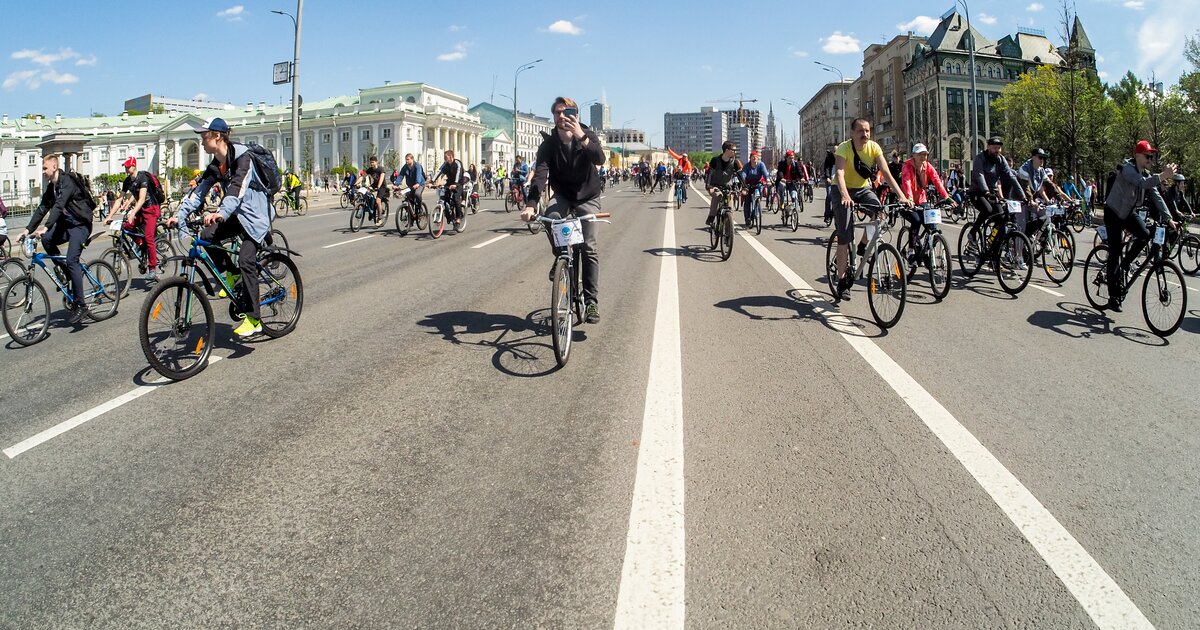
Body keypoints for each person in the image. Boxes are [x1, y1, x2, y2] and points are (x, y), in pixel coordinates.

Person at [167, 117, 273, 337]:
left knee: (246, 258)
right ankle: (231, 273)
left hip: (256, 218)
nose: (202, 142)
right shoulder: (216, 165)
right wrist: (180, 215)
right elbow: (198, 194)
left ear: (217, 136)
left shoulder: (243, 159)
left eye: (204, 137)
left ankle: (254, 319)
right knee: (206, 236)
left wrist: (220, 212)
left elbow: (237, 189)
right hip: (237, 216)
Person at [520, 96, 605, 323]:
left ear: (575, 114)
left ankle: (591, 301)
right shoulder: (549, 144)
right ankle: (561, 255)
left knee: (589, 246)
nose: (561, 116)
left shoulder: (586, 134)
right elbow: (540, 175)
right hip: (563, 196)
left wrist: (581, 136)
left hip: (588, 195)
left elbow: (599, 158)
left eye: (566, 111)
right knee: (550, 217)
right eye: (557, 112)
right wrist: (530, 204)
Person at [830, 118, 912, 302]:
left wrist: (901, 195)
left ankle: (862, 245)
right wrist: (845, 195)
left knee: (879, 212)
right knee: (844, 234)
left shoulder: (874, 147)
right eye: (860, 131)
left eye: (867, 131)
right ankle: (842, 281)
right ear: (852, 133)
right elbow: (840, 174)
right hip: (841, 189)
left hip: (862, 188)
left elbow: (887, 173)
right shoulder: (844, 148)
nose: (865, 134)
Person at [14, 155, 95, 323]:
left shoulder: (67, 182)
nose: (43, 171)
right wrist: (27, 230)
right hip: (66, 226)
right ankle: (68, 273)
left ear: (54, 167)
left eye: (45, 168)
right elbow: (42, 208)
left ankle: (81, 305)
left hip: (80, 225)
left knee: (72, 260)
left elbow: (59, 205)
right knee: (47, 240)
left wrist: (47, 227)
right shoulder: (52, 187)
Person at [1101, 140, 1177, 312]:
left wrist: (1169, 218)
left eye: (1152, 156)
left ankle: (1126, 264)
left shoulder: (1146, 173)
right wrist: (1163, 175)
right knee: (1115, 250)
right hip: (1113, 212)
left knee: (1144, 234)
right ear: (1137, 155)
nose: (1150, 159)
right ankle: (1113, 297)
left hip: (1128, 213)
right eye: (1147, 156)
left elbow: (1156, 196)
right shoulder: (1127, 168)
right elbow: (1142, 183)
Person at [101, 156, 163, 281]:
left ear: (134, 166)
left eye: (128, 166)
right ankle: (140, 243)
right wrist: (109, 216)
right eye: (125, 166)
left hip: (151, 209)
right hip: (140, 210)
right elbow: (119, 200)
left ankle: (152, 269)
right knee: (125, 226)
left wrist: (132, 212)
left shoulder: (143, 178)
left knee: (149, 238)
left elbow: (141, 198)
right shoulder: (127, 181)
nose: (126, 168)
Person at [899, 143, 949, 258]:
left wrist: (946, 196)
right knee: (916, 220)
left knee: (932, 225)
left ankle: (927, 249)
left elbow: (936, 180)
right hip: (907, 201)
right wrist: (909, 198)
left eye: (925, 154)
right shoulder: (907, 166)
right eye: (920, 154)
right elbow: (906, 182)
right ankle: (911, 250)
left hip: (922, 200)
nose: (923, 157)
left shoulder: (928, 166)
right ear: (913, 155)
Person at [968, 137, 1026, 230]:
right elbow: (980, 176)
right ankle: (973, 233)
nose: (997, 150)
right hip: (978, 192)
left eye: (999, 148)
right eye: (994, 148)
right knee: (987, 210)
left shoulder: (1001, 159)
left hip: (993, 193)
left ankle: (994, 243)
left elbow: (1011, 176)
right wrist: (986, 192)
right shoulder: (980, 158)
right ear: (988, 147)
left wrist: (1023, 196)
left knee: (1002, 218)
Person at [705, 141, 743, 228]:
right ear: (726, 150)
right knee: (718, 195)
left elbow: (740, 176)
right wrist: (708, 186)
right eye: (733, 150)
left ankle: (728, 230)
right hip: (715, 186)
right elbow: (709, 174)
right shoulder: (715, 160)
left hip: (727, 187)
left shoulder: (735, 162)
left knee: (730, 208)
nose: (735, 152)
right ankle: (711, 217)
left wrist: (744, 187)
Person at [430, 149, 466, 226]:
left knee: (456, 198)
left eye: (445, 157)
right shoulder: (445, 164)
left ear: (450, 156)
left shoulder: (457, 163)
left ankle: (458, 217)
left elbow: (458, 174)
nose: (444, 158)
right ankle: (448, 214)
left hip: (458, 183)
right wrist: (431, 182)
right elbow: (439, 172)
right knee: (444, 198)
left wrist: (455, 184)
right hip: (449, 183)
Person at [740, 151, 770, 225]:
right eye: (753, 158)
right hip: (748, 185)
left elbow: (765, 173)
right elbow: (743, 174)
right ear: (750, 158)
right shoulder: (747, 166)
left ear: (758, 158)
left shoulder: (761, 165)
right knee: (747, 200)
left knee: (759, 194)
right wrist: (743, 183)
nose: (754, 159)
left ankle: (757, 207)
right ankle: (747, 218)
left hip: (758, 184)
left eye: (756, 157)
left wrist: (768, 180)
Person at [774, 149, 808, 215]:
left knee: (794, 196)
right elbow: (780, 172)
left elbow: (799, 172)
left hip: (792, 182)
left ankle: (795, 213)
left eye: (792, 158)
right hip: (783, 182)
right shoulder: (781, 163)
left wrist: (802, 178)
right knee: (782, 191)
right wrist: (782, 178)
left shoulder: (795, 164)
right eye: (790, 158)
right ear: (786, 158)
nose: (791, 160)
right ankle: (782, 206)